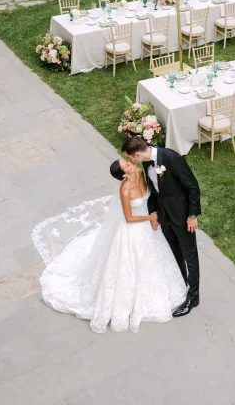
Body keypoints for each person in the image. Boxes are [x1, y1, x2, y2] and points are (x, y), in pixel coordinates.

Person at [31, 158, 187, 333]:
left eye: (127, 161)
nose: (130, 163)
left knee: (153, 259)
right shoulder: (125, 189)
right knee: (128, 264)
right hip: (132, 228)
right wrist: (149, 218)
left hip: (148, 225)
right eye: (127, 165)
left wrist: (153, 216)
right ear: (123, 175)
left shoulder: (140, 172)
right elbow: (128, 218)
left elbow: (150, 196)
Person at [122, 135, 201, 317]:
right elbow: (154, 190)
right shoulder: (146, 163)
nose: (129, 161)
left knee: (190, 254)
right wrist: (153, 215)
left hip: (181, 216)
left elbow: (193, 187)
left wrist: (192, 215)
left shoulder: (172, 158)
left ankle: (193, 297)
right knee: (174, 252)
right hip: (163, 215)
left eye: (129, 158)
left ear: (138, 155)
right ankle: (181, 283)